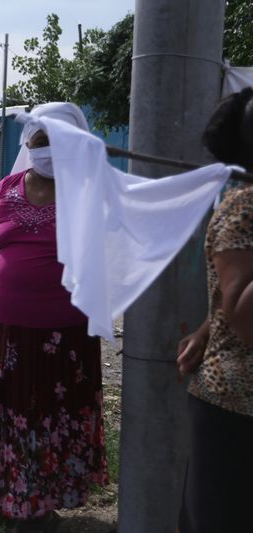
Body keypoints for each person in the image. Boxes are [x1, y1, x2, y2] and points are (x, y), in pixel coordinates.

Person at [0, 103, 108, 532]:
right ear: (28, 140)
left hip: (65, 336)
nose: (46, 148)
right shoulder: (6, 190)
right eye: (41, 139)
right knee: (5, 414)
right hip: (4, 332)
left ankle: (42, 504)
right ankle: (2, 499)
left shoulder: (87, 192)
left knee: (50, 417)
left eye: (59, 141)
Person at [176, 88, 253, 533]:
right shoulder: (245, 206)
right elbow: (244, 315)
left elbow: (228, 305)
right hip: (238, 408)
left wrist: (206, 328)